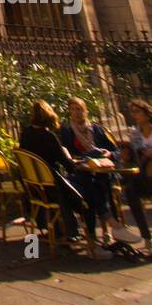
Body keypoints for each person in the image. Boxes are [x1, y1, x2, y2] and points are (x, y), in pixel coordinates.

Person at [19, 100, 99, 257]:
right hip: (55, 190)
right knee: (91, 191)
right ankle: (93, 240)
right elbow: (68, 166)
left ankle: (41, 244)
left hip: (35, 189)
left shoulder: (25, 134)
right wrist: (71, 159)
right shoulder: (49, 136)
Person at [59, 97, 135, 249]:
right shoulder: (67, 132)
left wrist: (109, 154)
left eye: (79, 109)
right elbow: (66, 156)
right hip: (83, 173)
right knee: (94, 186)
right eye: (73, 109)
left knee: (97, 185)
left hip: (102, 171)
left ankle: (97, 237)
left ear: (86, 111)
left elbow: (116, 152)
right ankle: (113, 226)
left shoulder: (97, 129)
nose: (77, 113)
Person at [120, 98, 152, 257]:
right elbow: (132, 159)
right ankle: (147, 239)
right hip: (144, 176)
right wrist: (125, 156)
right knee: (130, 192)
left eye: (137, 111)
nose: (135, 115)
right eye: (132, 112)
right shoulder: (135, 135)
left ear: (147, 113)